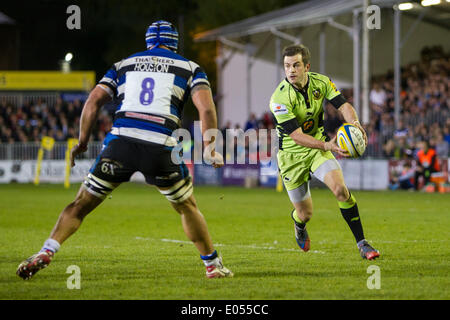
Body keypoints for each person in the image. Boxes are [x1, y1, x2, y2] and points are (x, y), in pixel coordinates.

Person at [17, 20, 233, 280]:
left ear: (148, 42)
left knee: (80, 205)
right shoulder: (189, 67)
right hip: (160, 146)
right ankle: (212, 265)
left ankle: (47, 250)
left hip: (120, 144)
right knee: (187, 206)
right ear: (174, 42)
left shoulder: (123, 64)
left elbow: (94, 99)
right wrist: (209, 148)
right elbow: (206, 108)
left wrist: (82, 142)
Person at [270, 44, 379, 260]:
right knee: (305, 214)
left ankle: (362, 243)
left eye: (296, 65)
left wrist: (355, 123)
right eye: (287, 66)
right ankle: (299, 224)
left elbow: (343, 105)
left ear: (307, 66)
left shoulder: (322, 82)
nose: (291, 70)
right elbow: (296, 136)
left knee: (340, 189)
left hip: (317, 151)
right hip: (291, 156)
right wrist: (328, 145)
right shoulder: (279, 99)